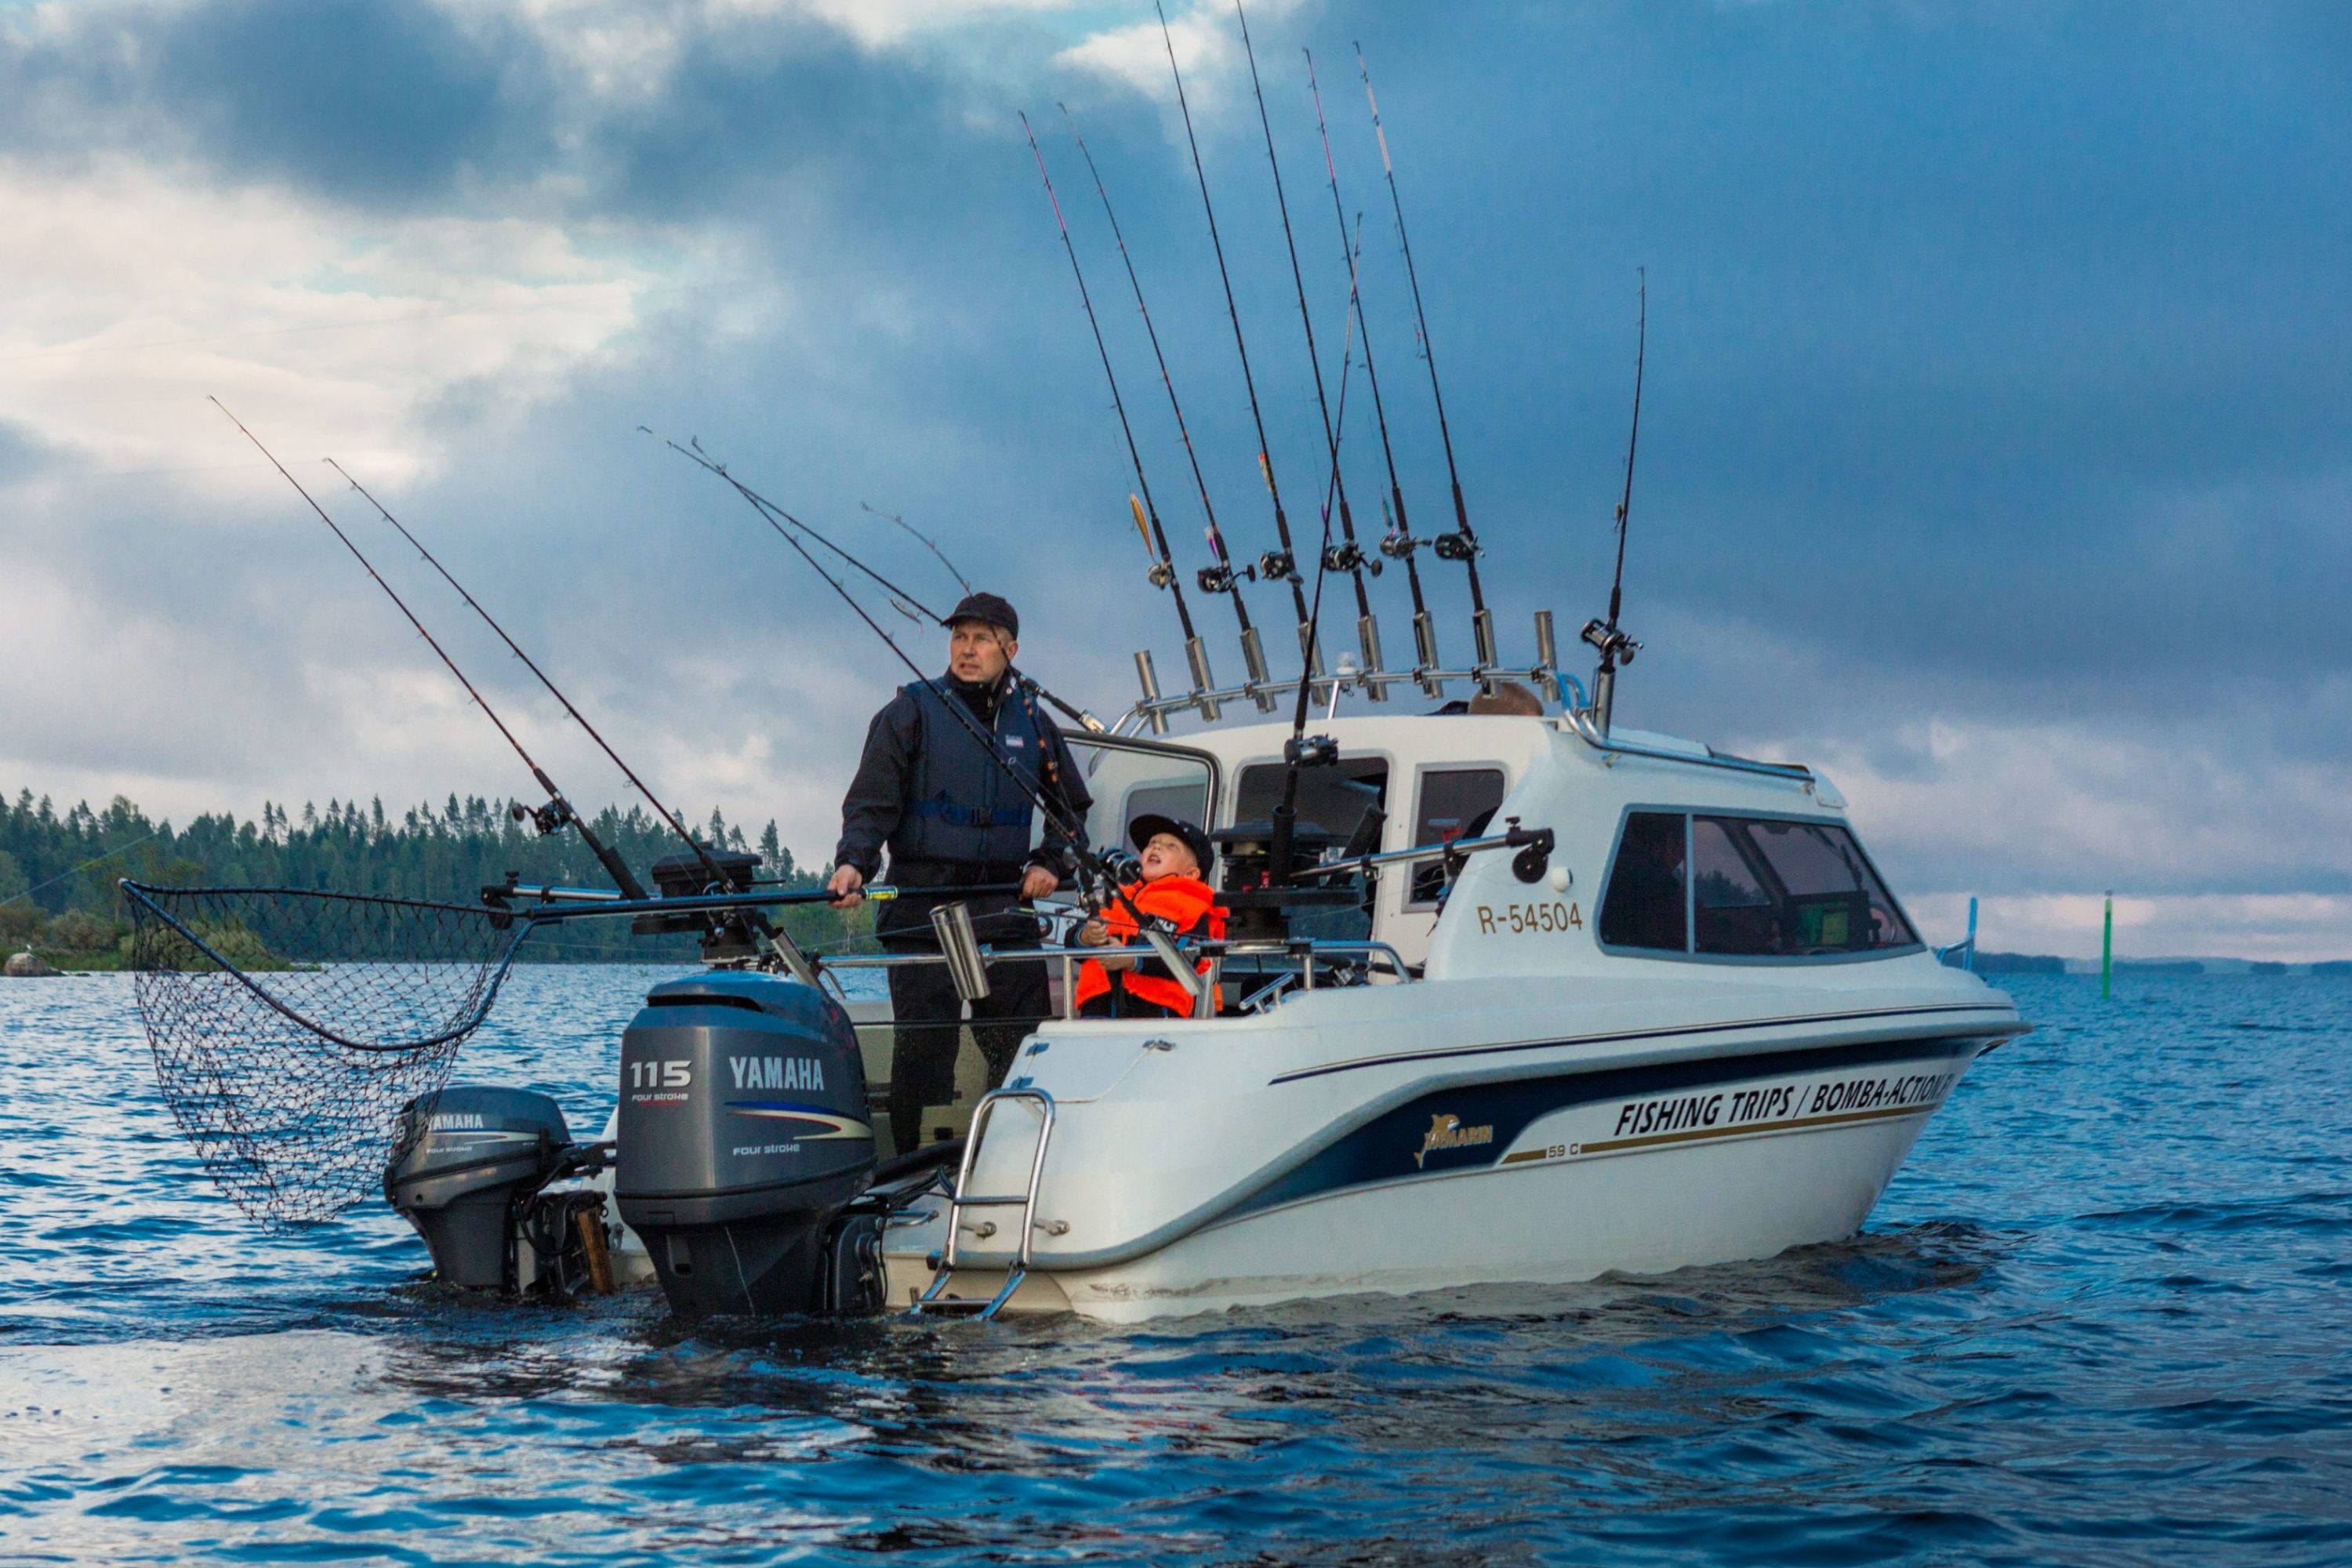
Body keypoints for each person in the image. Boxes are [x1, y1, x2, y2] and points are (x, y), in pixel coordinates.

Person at [827, 592, 1093, 1152]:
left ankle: (1011, 1150)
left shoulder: (1036, 724)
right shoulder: (910, 712)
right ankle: (911, 1161)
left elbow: (1072, 811)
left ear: (1010, 649)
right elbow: (870, 805)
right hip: (923, 898)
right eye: (959, 637)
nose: (966, 650)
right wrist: (854, 862)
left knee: (1019, 1041)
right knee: (927, 1045)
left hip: (1003, 901)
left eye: (981, 639)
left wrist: (1050, 861)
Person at [1073, 815, 1225, 1019]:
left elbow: (1190, 960)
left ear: (1191, 874)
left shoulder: (1193, 906)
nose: (1157, 847)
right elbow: (1071, 944)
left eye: (1172, 846)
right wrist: (1085, 937)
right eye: (1152, 843)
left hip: (1154, 1015)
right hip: (1096, 1011)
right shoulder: (1114, 892)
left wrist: (1132, 960)